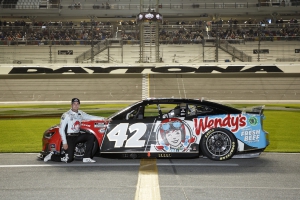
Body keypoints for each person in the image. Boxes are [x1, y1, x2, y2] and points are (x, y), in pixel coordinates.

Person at [44, 98, 108, 163]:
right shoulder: (66, 115)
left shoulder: (81, 113)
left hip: (77, 136)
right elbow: (61, 129)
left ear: (79, 105)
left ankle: (86, 157)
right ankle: (51, 156)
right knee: (68, 159)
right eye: (74, 104)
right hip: (69, 137)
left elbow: (90, 117)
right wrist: (64, 142)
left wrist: (103, 118)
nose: (76, 105)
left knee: (91, 136)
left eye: (77, 104)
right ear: (71, 105)